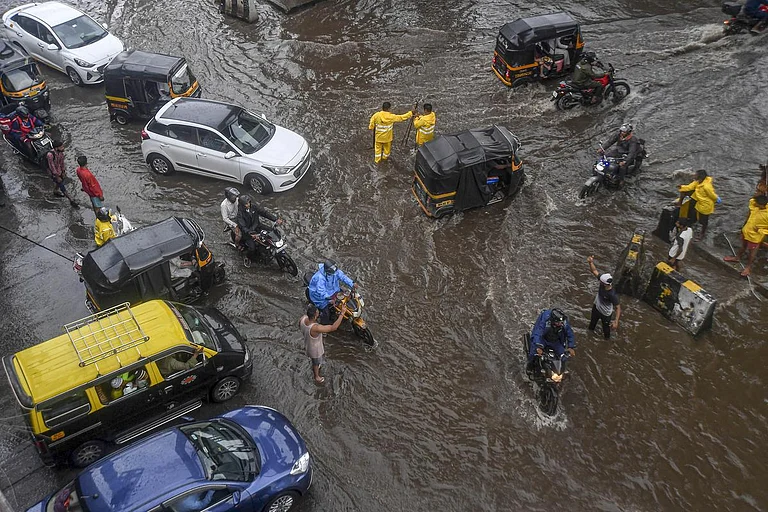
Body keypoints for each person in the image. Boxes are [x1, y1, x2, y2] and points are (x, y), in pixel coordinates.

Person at [299, 303, 346, 384]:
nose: (318, 314)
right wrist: (342, 313)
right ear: (314, 317)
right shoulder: (316, 328)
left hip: (308, 344)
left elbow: (300, 326)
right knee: (316, 362)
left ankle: (317, 367)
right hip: (315, 350)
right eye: (317, 313)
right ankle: (317, 376)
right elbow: (333, 327)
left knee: (315, 361)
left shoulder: (303, 319)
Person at [724, 195, 768, 277]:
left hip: (755, 237)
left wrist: (760, 230)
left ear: (762, 205)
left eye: (757, 203)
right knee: (743, 246)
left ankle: (748, 267)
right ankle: (737, 257)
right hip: (746, 231)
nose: (755, 204)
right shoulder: (755, 206)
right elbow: (751, 202)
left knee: (752, 252)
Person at [526, 308, 576, 376]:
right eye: (558, 322)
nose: (560, 324)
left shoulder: (564, 322)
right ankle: (530, 366)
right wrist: (538, 346)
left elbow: (570, 333)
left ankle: (561, 371)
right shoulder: (545, 321)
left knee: (563, 356)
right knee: (533, 353)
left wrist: (571, 347)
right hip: (544, 339)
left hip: (556, 342)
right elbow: (538, 333)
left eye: (561, 322)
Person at [235, 194, 282, 262]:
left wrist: (275, 219)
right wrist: (251, 233)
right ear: (242, 205)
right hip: (249, 233)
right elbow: (243, 227)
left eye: (249, 203)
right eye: (246, 204)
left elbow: (264, 213)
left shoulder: (253, 207)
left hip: (257, 226)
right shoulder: (240, 214)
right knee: (252, 248)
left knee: (272, 232)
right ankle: (248, 258)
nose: (248, 205)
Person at [308, 259, 355, 324]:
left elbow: (343, 276)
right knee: (326, 313)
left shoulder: (334, 271)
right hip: (320, 297)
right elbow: (321, 292)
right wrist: (330, 299)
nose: (336, 273)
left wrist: (352, 284)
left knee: (348, 297)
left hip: (333, 290)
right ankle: (324, 326)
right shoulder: (320, 278)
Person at [678, 169, 721, 240]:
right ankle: (692, 222)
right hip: (699, 201)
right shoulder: (697, 182)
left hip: (705, 205)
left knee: (703, 220)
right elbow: (690, 187)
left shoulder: (707, 186)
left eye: (696, 174)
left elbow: (712, 195)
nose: (694, 175)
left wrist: (716, 198)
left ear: (700, 177)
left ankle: (702, 233)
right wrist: (682, 187)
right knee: (695, 214)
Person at [587, 255, 621, 339]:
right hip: (596, 308)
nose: (599, 282)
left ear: (605, 283)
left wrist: (616, 321)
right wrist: (590, 262)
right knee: (591, 325)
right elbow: (594, 271)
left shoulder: (612, 295)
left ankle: (607, 341)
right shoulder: (603, 283)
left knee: (606, 330)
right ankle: (589, 336)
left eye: (601, 281)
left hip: (605, 314)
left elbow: (618, 308)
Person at [46, 140, 79, 208]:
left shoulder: (61, 153)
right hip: (53, 172)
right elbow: (51, 166)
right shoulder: (50, 155)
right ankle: (71, 199)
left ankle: (55, 191)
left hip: (59, 170)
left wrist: (63, 172)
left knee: (61, 181)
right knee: (61, 184)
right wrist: (57, 176)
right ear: (56, 148)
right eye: (61, 147)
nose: (63, 148)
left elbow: (62, 163)